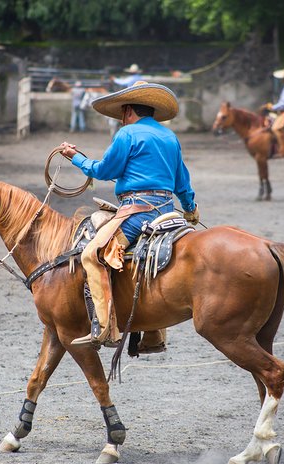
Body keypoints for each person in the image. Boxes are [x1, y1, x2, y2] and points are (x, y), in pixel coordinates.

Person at [59, 81, 199, 349]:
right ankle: (154, 334)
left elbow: (103, 171)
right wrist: (190, 209)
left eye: (122, 114)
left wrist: (75, 157)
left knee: (92, 255)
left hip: (137, 211)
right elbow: (182, 182)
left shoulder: (127, 135)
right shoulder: (171, 137)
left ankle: (104, 328)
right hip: (168, 211)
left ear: (128, 111)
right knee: (153, 260)